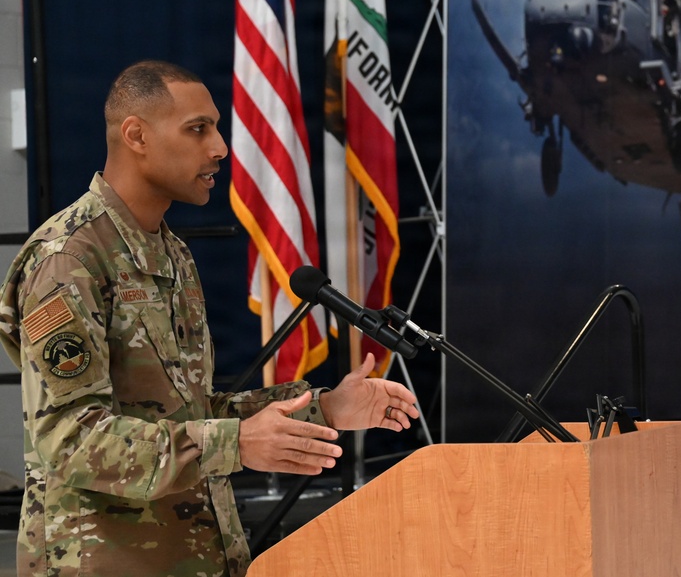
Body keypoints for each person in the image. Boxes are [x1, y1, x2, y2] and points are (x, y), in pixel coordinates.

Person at [0, 60, 420, 576]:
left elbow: (189, 411)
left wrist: (325, 408)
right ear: (136, 135)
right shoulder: (69, 259)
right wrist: (236, 444)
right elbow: (69, 440)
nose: (219, 147)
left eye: (215, 128)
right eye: (198, 129)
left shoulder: (170, 252)